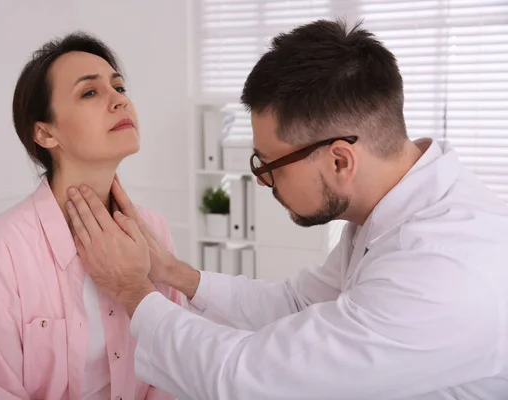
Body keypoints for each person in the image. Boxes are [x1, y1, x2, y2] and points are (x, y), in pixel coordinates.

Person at [65, 19, 508, 400]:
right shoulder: (388, 209)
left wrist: (129, 289)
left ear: (339, 160)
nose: (262, 179)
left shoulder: (441, 270)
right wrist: (175, 274)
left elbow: (250, 378)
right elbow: (298, 304)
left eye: (269, 163)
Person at [0, 32, 181, 400]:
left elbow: (172, 369)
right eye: (90, 92)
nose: (119, 100)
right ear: (45, 132)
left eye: (119, 87)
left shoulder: (153, 230)